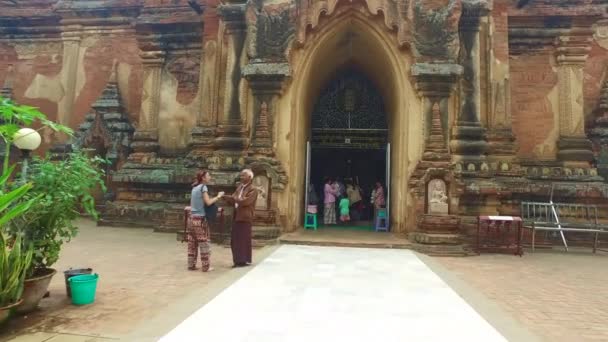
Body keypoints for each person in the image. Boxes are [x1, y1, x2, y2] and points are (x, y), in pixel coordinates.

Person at [188, 170, 224, 271]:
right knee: (204, 242)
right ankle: (206, 266)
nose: (210, 177)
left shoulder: (194, 188)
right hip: (200, 219)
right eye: (208, 176)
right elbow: (208, 202)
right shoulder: (203, 187)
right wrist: (218, 196)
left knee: (192, 243)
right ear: (203, 178)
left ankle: (191, 264)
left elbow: (193, 204)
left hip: (191, 218)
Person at [224, 169, 258, 267]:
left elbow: (245, 202)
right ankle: (237, 260)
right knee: (235, 239)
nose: (241, 177)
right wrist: (227, 198)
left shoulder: (253, 189)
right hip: (236, 215)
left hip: (245, 217)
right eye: (241, 175)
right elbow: (234, 197)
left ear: (249, 178)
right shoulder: (239, 187)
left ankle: (243, 260)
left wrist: (234, 199)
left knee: (243, 239)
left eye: (244, 175)